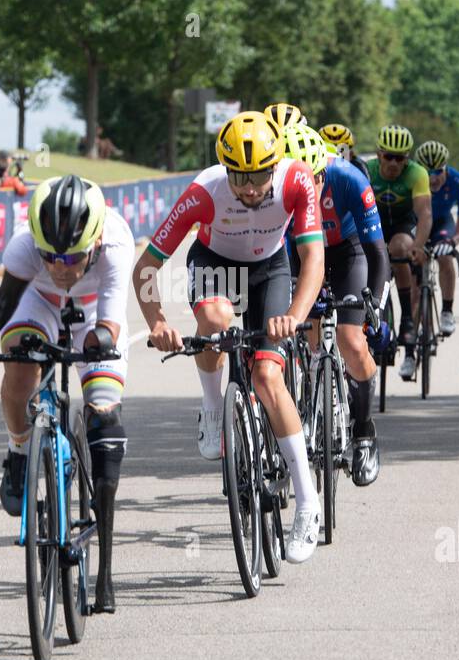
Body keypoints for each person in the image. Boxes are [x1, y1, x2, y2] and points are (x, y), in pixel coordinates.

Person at [133, 110, 326, 563]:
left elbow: (312, 258)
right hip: (215, 263)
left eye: (260, 175)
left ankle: (307, 504)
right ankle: (213, 407)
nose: (251, 187)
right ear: (226, 170)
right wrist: (158, 322)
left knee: (267, 377)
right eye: (240, 176)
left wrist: (295, 315)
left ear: (275, 166)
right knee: (217, 323)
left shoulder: (298, 181)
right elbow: (147, 267)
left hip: (271, 268)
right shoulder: (206, 191)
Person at [0, 175, 133, 613]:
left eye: (72, 256)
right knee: (17, 364)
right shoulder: (23, 247)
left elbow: (108, 323)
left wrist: (96, 350)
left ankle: (104, 571)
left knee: (104, 412)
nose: (61, 267)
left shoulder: (117, 244)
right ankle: (19, 452)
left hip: (94, 316)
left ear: (96, 239)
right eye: (51, 256)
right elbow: (6, 303)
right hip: (41, 304)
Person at [282, 125, 390, 486]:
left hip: (348, 250)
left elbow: (377, 250)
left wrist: (372, 300)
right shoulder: (281, 188)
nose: (306, 187)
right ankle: (313, 388)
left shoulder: (349, 179)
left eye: (313, 179)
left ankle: (363, 432)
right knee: (311, 338)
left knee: (351, 340)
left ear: (323, 170)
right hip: (301, 251)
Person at [366, 124, 432, 377]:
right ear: (379, 154)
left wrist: (418, 246)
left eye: (400, 158)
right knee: (374, 252)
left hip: (404, 222)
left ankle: (406, 319)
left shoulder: (416, 174)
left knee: (400, 248)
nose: (394, 163)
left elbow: (424, 214)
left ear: (407, 159)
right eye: (388, 156)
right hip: (376, 221)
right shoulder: (369, 171)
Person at [415, 140, 459, 337]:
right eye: (427, 173)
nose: (432, 178)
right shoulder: (412, 178)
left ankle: (447, 311)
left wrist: (451, 243)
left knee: (445, 258)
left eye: (438, 171)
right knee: (413, 267)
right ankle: (417, 328)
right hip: (417, 221)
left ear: (446, 168)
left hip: (442, 223)